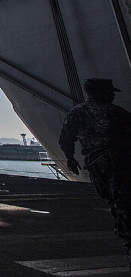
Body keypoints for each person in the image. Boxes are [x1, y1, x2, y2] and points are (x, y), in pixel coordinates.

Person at [59, 78, 131, 269]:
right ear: (102, 92)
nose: (113, 95)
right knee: (124, 204)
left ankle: (125, 237)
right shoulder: (115, 112)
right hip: (120, 163)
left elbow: (66, 137)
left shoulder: (77, 112)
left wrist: (69, 157)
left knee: (114, 202)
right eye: (110, 91)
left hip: (96, 165)